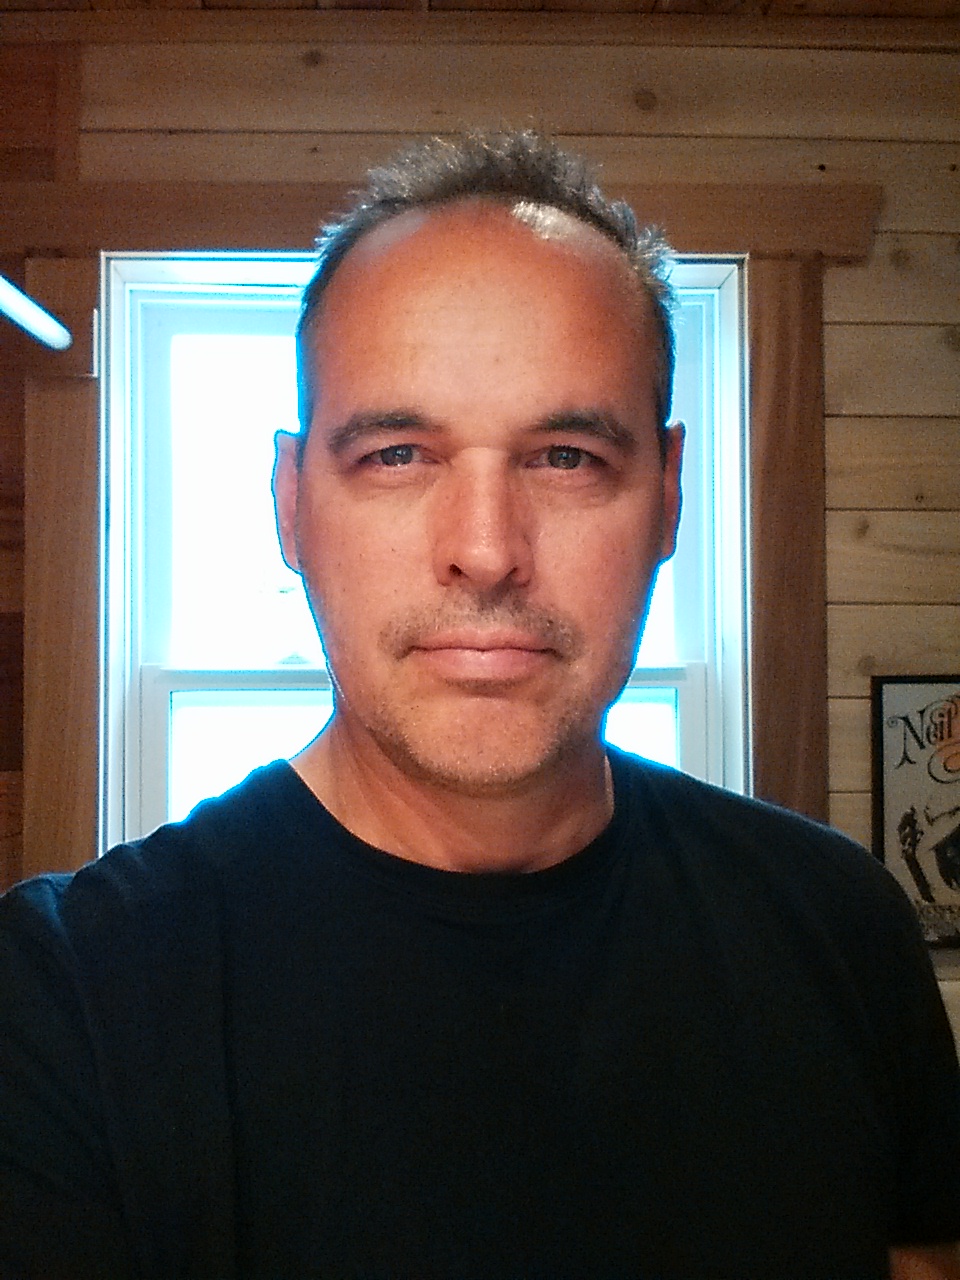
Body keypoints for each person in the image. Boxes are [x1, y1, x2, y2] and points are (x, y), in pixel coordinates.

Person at [1, 132, 959, 1280]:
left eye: (565, 456)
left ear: (668, 497)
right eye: (398, 454)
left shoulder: (840, 928)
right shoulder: (67, 998)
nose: (488, 550)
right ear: (291, 506)